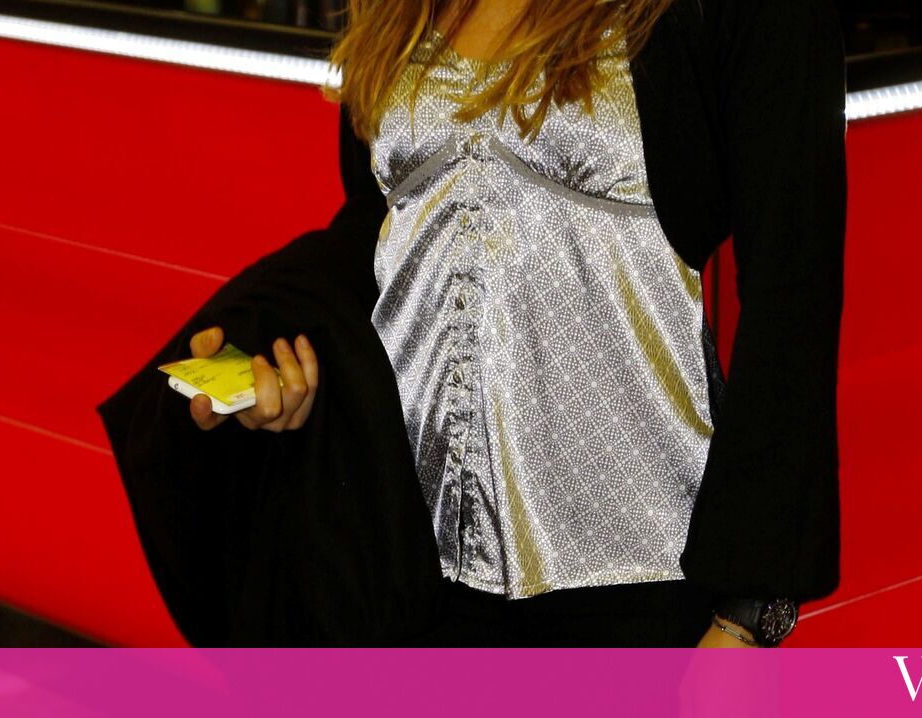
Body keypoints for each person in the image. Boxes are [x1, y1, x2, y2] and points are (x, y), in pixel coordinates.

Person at [128, 0, 846, 647]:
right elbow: (381, 234)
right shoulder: (392, 9)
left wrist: (749, 610)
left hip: (636, 574)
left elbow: (793, 287)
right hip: (409, 570)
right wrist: (273, 349)